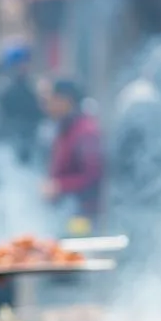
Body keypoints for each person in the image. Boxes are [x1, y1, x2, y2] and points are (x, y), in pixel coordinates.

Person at [42, 77, 104, 233]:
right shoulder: (64, 126)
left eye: (50, 99)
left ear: (65, 100)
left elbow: (93, 177)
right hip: (64, 212)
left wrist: (60, 186)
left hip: (82, 217)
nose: (46, 105)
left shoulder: (86, 131)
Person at [0, 40, 42, 166]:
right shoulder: (3, 88)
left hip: (32, 138)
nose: (23, 66)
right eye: (19, 63)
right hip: (10, 140)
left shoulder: (34, 86)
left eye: (25, 62)